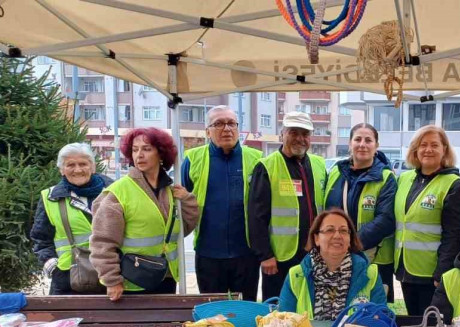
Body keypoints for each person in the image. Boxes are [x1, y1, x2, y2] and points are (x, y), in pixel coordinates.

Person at [91, 128, 200, 299]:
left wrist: (187, 200)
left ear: (161, 154)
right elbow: (102, 242)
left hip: (165, 276)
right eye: (135, 149)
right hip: (131, 281)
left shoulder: (170, 191)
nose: (139, 155)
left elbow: (181, 231)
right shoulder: (118, 192)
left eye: (147, 149)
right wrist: (111, 280)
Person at [181, 105, 262, 300]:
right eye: (218, 124)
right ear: (207, 131)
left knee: (245, 311)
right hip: (208, 253)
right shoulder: (193, 159)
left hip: (246, 253)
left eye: (231, 123)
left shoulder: (256, 158)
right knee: (212, 313)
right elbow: (181, 201)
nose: (226, 129)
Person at [249, 111, 327, 301]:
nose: (300, 139)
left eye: (305, 134)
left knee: (310, 305)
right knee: (280, 309)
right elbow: (256, 216)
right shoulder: (267, 166)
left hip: (313, 255)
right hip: (279, 258)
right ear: (282, 134)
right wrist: (265, 255)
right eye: (294, 132)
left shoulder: (319, 165)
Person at [395, 125, 460, 316]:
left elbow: (453, 235)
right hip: (406, 269)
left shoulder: (453, 185)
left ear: (444, 149)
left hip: (431, 274)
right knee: (412, 322)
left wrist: (441, 273)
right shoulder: (404, 179)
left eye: (434, 145)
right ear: (415, 150)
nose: (428, 150)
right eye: (423, 145)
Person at [324, 123, 397, 301]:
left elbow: (385, 220)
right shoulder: (335, 173)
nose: (362, 144)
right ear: (350, 144)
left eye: (368, 140)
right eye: (357, 139)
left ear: (376, 146)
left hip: (375, 260)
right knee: (339, 310)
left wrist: (350, 243)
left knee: (372, 315)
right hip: (337, 258)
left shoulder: (386, 178)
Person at [31, 143, 113, 295]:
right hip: (67, 279)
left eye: (83, 164)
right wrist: (53, 266)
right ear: (62, 169)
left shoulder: (114, 192)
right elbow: (40, 238)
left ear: (93, 167)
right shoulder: (50, 198)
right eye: (70, 165)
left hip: (112, 275)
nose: (78, 170)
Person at [277, 209, 386, 320]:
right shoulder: (296, 275)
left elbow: (382, 321)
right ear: (316, 238)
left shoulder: (370, 273)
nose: (337, 236)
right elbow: (282, 324)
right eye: (330, 230)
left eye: (343, 231)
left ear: (350, 239)